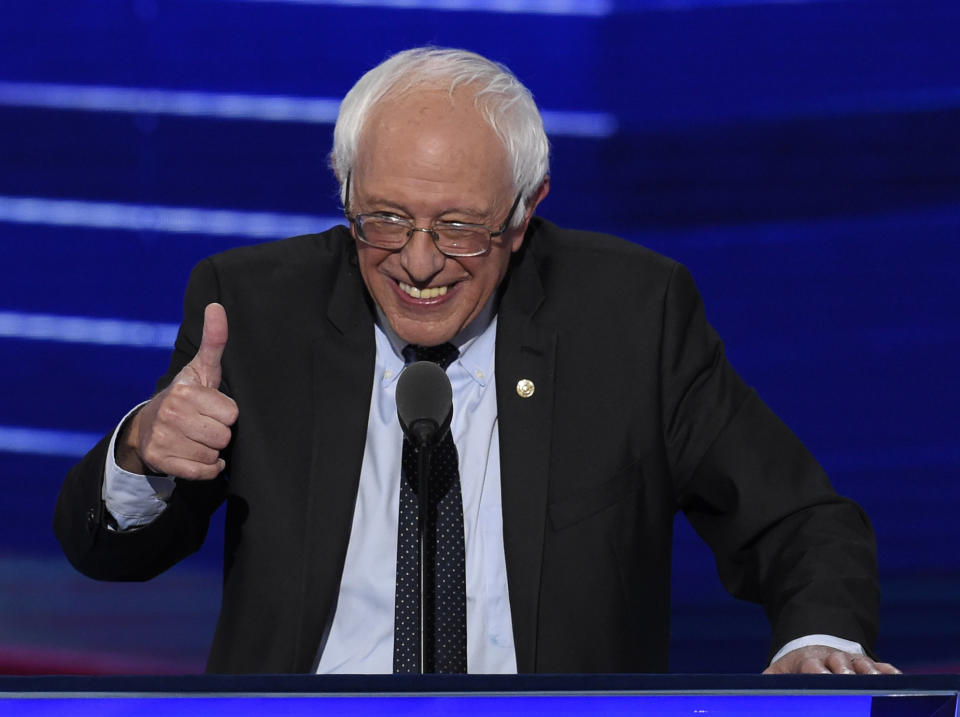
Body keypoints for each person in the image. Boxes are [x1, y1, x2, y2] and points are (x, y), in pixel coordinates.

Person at [55, 47, 898, 676]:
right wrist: (143, 452)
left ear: (525, 213)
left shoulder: (632, 317)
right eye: (384, 218)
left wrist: (817, 644)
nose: (418, 262)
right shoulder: (254, 308)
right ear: (346, 196)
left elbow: (799, 520)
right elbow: (108, 553)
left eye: (459, 227)